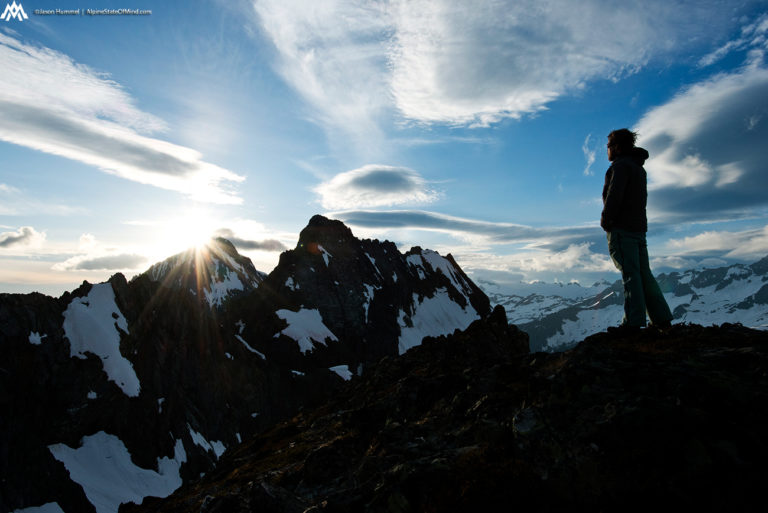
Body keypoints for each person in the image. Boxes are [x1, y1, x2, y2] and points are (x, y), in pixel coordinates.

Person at [601, 128, 673, 334]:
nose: (607, 151)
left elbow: (615, 195)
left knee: (630, 274)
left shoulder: (621, 167)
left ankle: (632, 323)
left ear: (617, 147)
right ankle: (661, 318)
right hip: (638, 228)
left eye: (608, 146)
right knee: (643, 273)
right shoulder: (637, 168)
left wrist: (607, 220)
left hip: (622, 228)